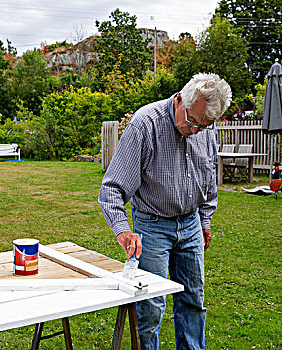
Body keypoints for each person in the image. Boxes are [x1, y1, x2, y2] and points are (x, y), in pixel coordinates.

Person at [98, 73, 232, 350]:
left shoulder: (204, 128)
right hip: (151, 225)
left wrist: (204, 220)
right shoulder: (144, 125)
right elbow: (111, 189)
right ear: (181, 99)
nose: (195, 131)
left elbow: (207, 177)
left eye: (204, 126)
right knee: (150, 305)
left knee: (193, 300)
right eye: (192, 121)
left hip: (191, 223)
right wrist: (123, 230)